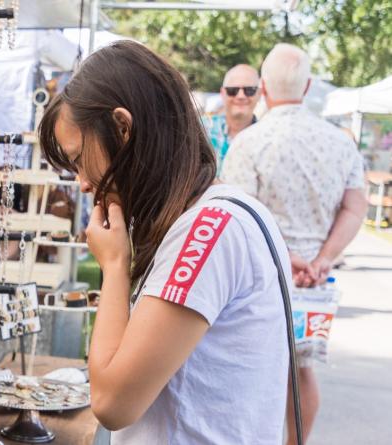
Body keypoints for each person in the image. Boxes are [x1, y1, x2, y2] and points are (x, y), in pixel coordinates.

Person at [37, 41, 291, 443]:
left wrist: (115, 267)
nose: (83, 183)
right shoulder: (218, 215)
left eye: (79, 158)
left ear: (123, 128)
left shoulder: (208, 230)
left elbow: (111, 403)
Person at [221, 43, 366, 445]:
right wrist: (322, 259)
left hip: (262, 279)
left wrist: (289, 258)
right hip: (316, 285)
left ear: (263, 87)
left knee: (254, 368)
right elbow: (355, 207)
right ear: (308, 87)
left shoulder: (249, 143)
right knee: (301, 371)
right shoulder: (339, 142)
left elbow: (239, 217)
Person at [206, 64, 261, 173]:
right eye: (233, 90)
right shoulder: (201, 130)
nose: (241, 96)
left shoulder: (267, 138)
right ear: (222, 93)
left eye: (249, 90)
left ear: (259, 94)